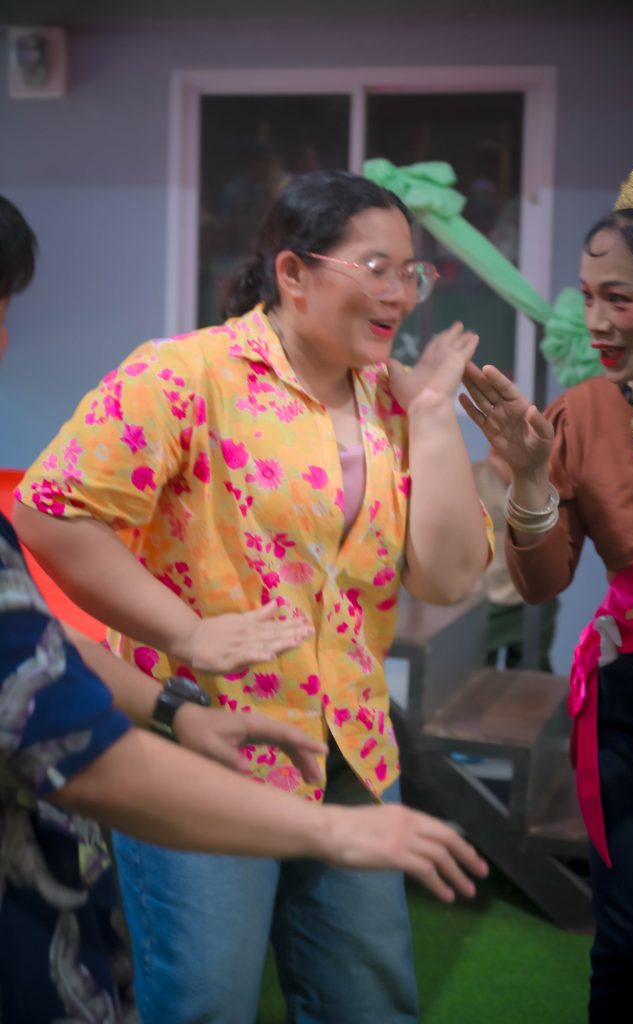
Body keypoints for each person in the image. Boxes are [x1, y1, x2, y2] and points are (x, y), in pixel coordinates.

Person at [13, 171, 493, 1024]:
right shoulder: (184, 373)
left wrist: (429, 415)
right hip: (204, 737)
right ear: (293, 273)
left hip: (349, 746)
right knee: (207, 1000)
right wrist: (188, 634)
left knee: (368, 1001)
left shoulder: (390, 398)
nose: (399, 293)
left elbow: (448, 577)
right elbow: (49, 512)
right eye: (375, 267)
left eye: (411, 272)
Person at [460, 149, 633, 1023]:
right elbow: (544, 582)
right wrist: (527, 478)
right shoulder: (583, 412)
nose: (594, 321)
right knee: (628, 947)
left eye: (617, 298)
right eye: (586, 296)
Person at [472, 446, 559, 670]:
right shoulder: (474, 477)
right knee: (475, 673)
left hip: (532, 593)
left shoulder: (546, 479)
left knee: (532, 674)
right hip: (486, 596)